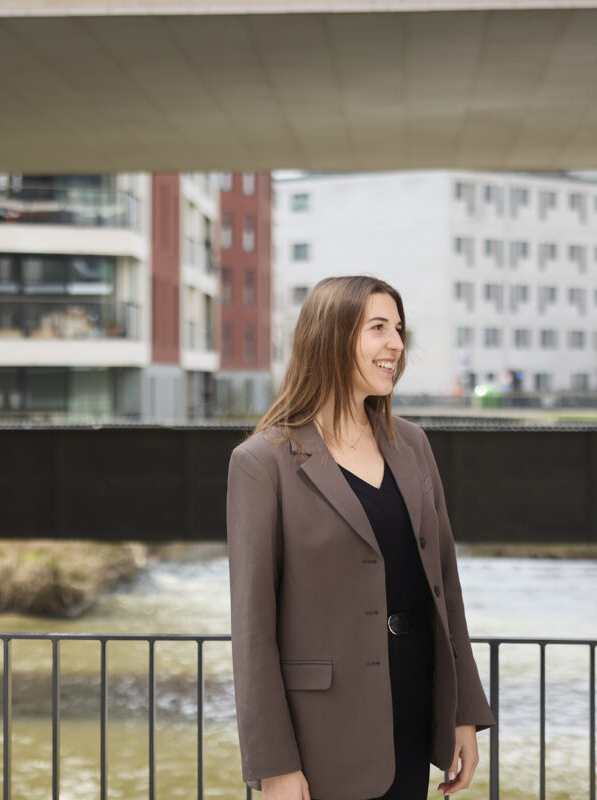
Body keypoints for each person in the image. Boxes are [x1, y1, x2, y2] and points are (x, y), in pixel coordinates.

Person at [226, 275, 495, 799]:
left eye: (398, 329)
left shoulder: (412, 445)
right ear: (330, 337)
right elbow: (252, 630)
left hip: (414, 711)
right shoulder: (262, 462)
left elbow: (446, 589)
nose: (396, 343)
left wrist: (462, 711)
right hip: (323, 735)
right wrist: (274, 763)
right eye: (378, 328)